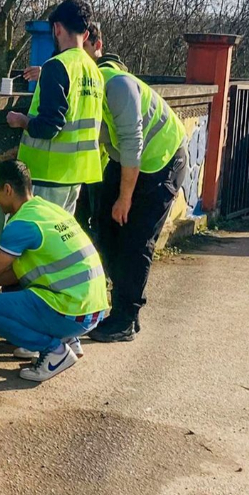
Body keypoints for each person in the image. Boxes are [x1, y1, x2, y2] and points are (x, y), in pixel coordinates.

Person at [84, 21, 188, 342]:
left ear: (92, 44)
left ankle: (126, 318)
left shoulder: (117, 84)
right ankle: (120, 306)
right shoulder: (90, 84)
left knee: (135, 238)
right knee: (105, 226)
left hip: (163, 161)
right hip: (128, 160)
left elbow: (132, 141)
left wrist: (124, 197)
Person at [0, 160, 109, 382]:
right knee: (13, 291)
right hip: (92, 307)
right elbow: (17, 272)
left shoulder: (20, 225)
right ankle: (67, 338)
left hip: (71, 311)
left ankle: (55, 351)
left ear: (7, 189)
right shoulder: (47, 210)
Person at [6, 0, 104, 215]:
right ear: (86, 34)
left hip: (47, 174)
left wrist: (20, 120)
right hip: (75, 174)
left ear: (57, 28)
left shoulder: (56, 66)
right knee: (58, 242)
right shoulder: (94, 70)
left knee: (38, 241)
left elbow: (50, 126)